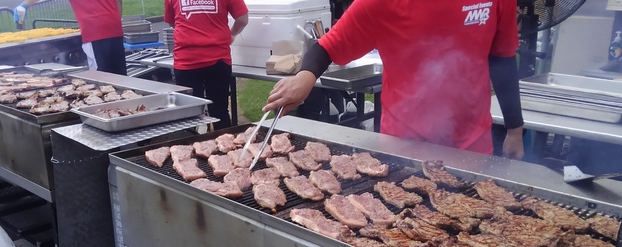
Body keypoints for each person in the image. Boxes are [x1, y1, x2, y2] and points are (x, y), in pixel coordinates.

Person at [263, 0, 526, 160]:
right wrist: (305, 77)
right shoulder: (382, 2)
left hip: (473, 145)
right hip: (403, 146)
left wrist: (515, 130)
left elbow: (502, 58)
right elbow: (328, 46)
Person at [164, 0, 249, 130]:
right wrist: (231, 34)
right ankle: (226, 146)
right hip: (217, 59)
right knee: (219, 110)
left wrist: (192, 30)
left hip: (187, 60)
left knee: (190, 114)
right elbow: (242, 19)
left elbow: (172, 21)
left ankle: (192, 146)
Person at [14, 0, 127, 75]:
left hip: (94, 28)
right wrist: (116, 20)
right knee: (120, 74)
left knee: (102, 76)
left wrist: (24, 5)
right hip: (114, 25)